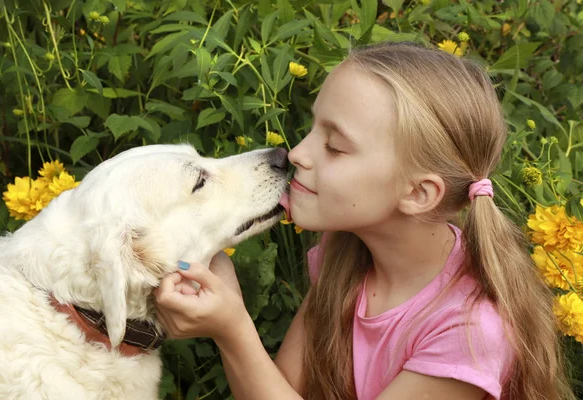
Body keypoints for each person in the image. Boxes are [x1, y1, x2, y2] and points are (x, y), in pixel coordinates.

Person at [154, 42, 575, 400]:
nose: (297, 153)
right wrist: (215, 265)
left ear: (417, 193)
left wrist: (232, 330)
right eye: (312, 128)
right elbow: (276, 389)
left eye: (335, 146)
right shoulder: (344, 259)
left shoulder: (468, 333)